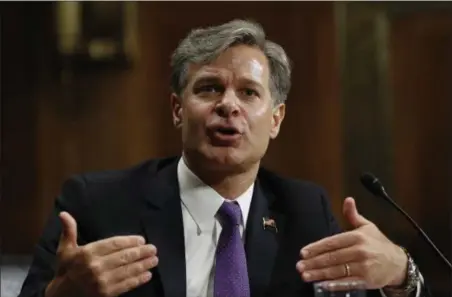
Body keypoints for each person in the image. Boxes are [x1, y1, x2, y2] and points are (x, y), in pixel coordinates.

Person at [19, 19, 427, 297]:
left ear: (276, 119)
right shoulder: (96, 204)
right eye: (210, 88)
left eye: (249, 93)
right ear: (178, 109)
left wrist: (400, 273)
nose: (228, 106)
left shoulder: (305, 213)